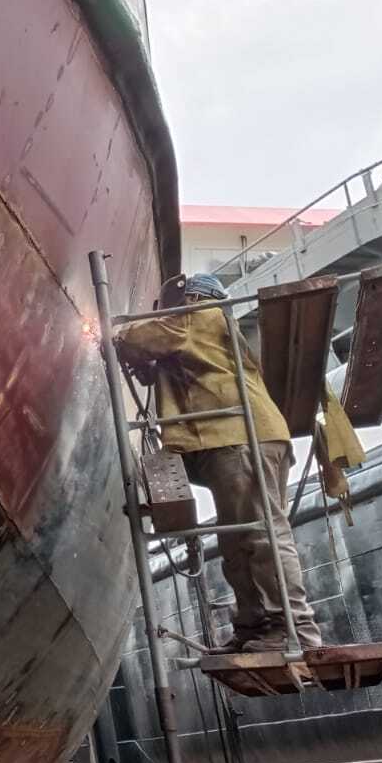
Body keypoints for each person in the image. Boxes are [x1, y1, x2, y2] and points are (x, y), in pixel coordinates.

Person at [114, 272, 321, 652]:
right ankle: (255, 628)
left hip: (240, 436)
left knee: (260, 534)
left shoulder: (198, 314)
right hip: (232, 438)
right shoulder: (206, 331)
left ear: (190, 298)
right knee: (237, 539)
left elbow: (147, 335)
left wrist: (115, 335)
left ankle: (295, 630)